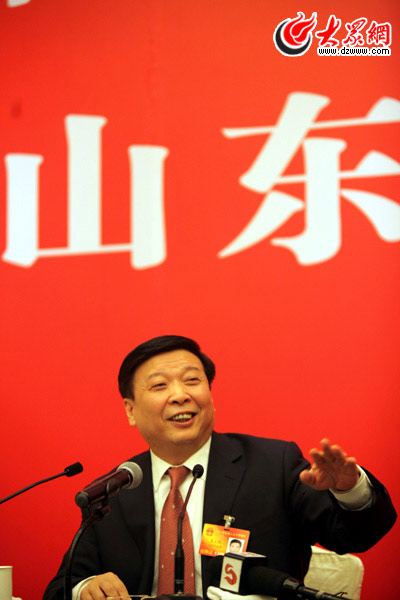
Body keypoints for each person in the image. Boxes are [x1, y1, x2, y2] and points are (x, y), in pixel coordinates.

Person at [43, 335, 397, 600]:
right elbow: (61, 588)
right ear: (130, 410)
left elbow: (354, 537)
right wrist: (85, 588)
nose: (180, 395)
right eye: (160, 385)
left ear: (210, 395)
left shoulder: (273, 465)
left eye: (192, 380)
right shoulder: (115, 491)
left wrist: (350, 490)